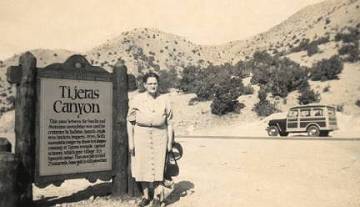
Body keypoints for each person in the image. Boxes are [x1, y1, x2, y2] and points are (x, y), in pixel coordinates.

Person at [127, 72, 174, 207]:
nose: (153, 86)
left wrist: (169, 142)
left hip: (160, 136)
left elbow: (170, 122)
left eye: (155, 83)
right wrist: (131, 141)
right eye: (150, 83)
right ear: (145, 85)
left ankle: (158, 197)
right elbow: (129, 121)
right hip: (141, 136)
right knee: (142, 166)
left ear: (158, 84)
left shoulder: (165, 99)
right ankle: (146, 196)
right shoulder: (137, 99)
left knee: (159, 166)